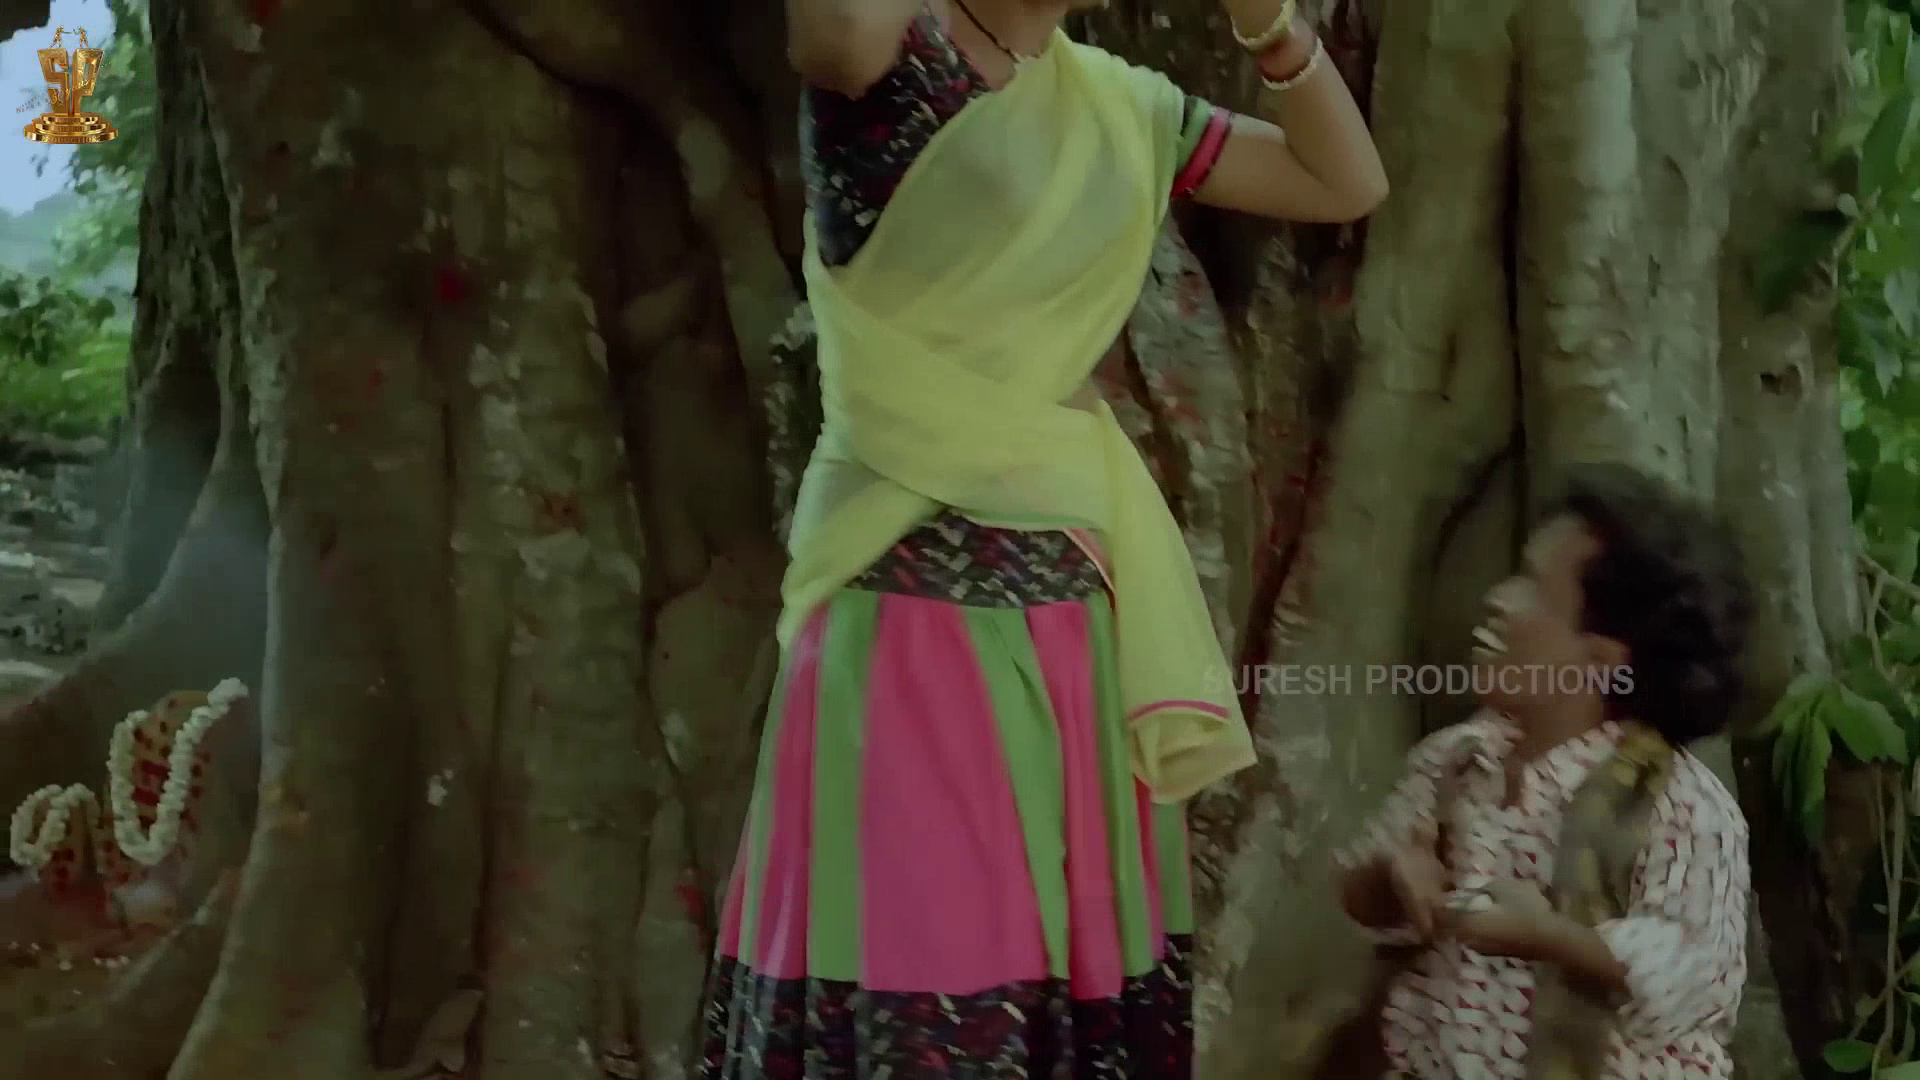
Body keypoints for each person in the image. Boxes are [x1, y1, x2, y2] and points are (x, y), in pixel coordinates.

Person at [699, 0, 1387, 1075]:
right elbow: (831, 32)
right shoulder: (891, 54)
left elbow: (1344, 182)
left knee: (1061, 1006)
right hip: (905, 615)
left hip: (1073, 625)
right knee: (922, 1000)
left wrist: (1267, 22)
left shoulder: (1122, 107)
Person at [1332, 463, 1756, 1079]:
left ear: (1601, 661)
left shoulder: (1682, 806)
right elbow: (1358, 898)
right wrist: (1394, 876)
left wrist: (1551, 936)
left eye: (1530, 587)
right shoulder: (1457, 761)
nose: (1497, 600)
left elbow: (1696, 973)